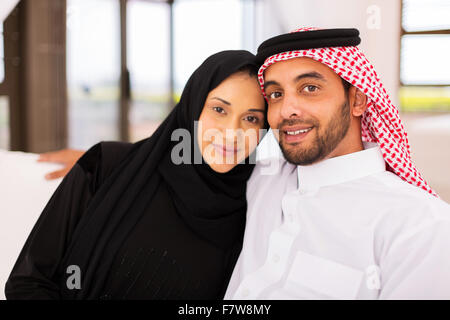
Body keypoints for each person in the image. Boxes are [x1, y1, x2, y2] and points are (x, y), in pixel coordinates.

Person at [5, 50, 268, 300]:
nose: (233, 132)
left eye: (251, 119)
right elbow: (28, 281)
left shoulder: (256, 209)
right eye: (219, 110)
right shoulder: (106, 167)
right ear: (193, 106)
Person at [225, 28, 450, 300]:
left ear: (357, 100)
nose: (286, 111)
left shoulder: (420, 225)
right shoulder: (258, 181)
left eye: (310, 88)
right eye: (275, 95)